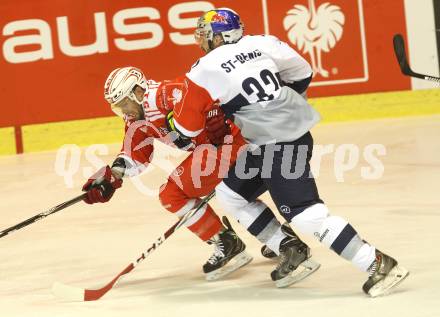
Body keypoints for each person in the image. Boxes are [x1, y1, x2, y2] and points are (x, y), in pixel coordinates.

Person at [167, 8, 409, 296]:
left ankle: (377, 263)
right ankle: (290, 250)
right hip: (283, 137)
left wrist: (179, 125)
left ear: (219, 37)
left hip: (277, 145)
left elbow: (187, 129)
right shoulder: (262, 42)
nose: (203, 41)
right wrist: (275, 105)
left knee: (304, 213)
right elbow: (302, 72)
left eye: (206, 36)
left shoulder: (203, 68)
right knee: (231, 194)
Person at [81, 66, 318, 283]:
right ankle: (279, 240)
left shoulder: (165, 94)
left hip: (231, 141)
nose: (123, 111)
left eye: (124, 103)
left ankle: (229, 242)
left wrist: (216, 113)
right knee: (233, 195)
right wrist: (113, 175)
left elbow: (207, 92)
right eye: (118, 106)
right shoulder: (137, 117)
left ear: (138, 91)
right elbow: (135, 152)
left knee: (172, 193)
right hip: (221, 148)